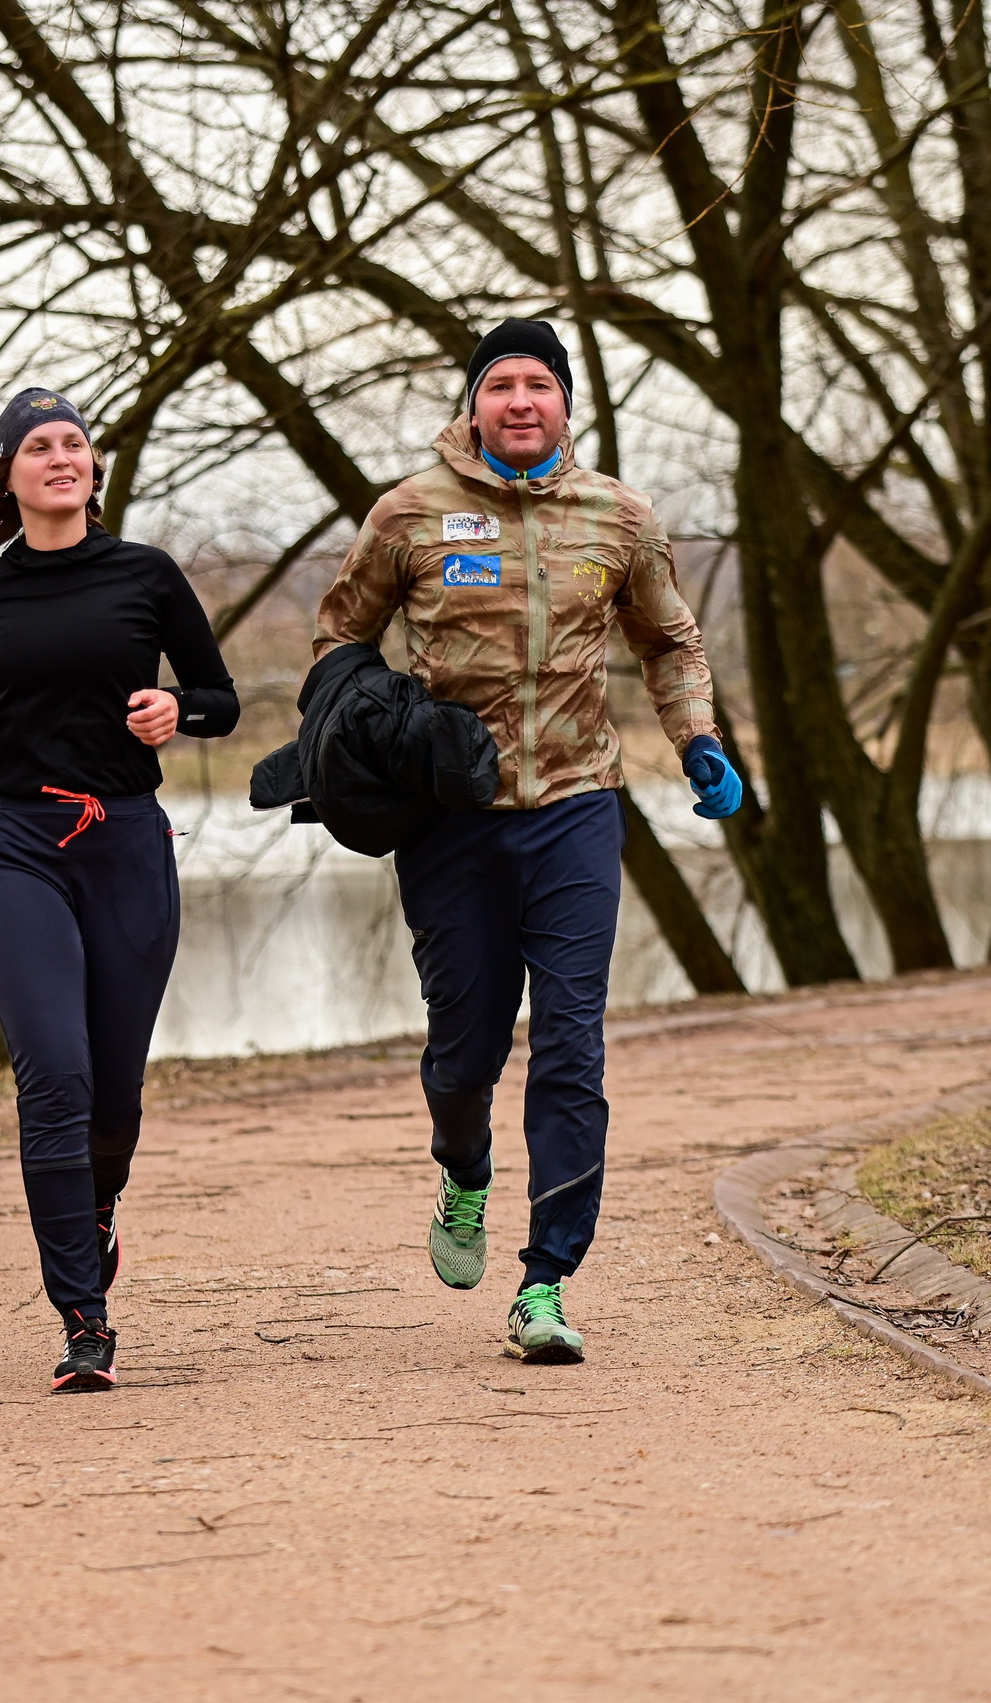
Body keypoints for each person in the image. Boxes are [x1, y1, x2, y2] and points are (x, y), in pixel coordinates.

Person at [312, 319, 742, 1365]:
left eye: (537, 384)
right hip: (451, 819)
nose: (518, 400)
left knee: (571, 1042)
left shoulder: (617, 516)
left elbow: (668, 637)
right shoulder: (409, 514)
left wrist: (696, 736)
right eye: (498, 384)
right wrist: (371, 732)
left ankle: (545, 1277)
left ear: (564, 404)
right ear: (472, 405)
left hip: (576, 808)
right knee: (463, 1047)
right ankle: (463, 1171)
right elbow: (339, 635)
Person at [0, 387, 240, 1393]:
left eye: (75, 443)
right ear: (9, 475)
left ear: (93, 470)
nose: (61, 456)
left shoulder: (145, 575)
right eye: (39, 446)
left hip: (127, 844)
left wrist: (172, 707)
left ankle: (94, 1210)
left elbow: (220, 699)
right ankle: (83, 1318)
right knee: (52, 1075)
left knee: (111, 1096)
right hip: (18, 844)